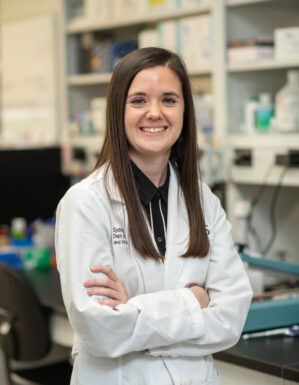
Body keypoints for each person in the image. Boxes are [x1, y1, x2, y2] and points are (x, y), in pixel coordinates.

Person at [55, 47, 253, 385]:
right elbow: (99, 329)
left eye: (169, 100)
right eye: (139, 101)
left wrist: (133, 310)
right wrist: (194, 299)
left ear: (185, 111)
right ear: (118, 110)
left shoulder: (204, 201)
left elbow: (230, 320)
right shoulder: (86, 203)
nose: (155, 113)